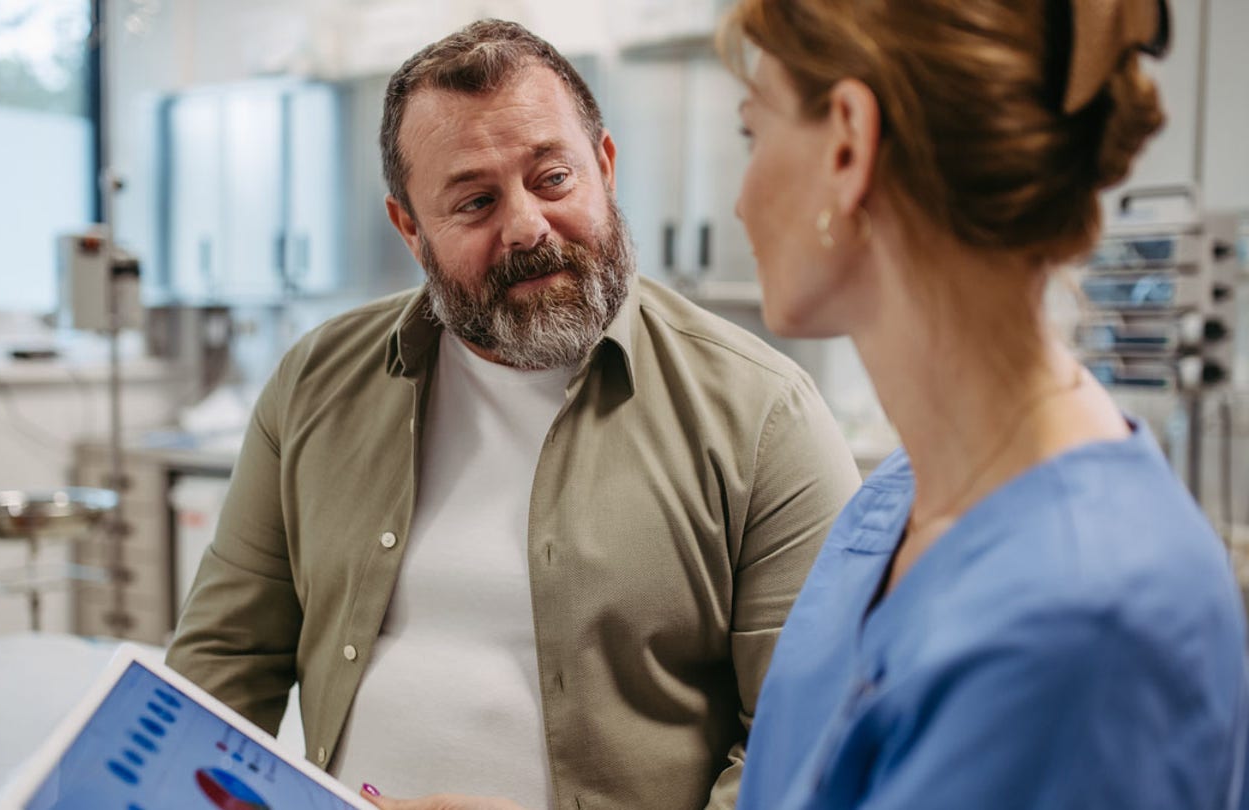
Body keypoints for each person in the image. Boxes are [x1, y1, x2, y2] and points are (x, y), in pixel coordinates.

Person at [362, 1, 1249, 809]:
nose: (742, 201)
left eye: (754, 134)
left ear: (847, 148)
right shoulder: (893, 507)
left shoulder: (1089, 621)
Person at [166, 19, 861, 810]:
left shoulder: (764, 415)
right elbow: (223, 663)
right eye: (474, 202)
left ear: (603, 165)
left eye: (553, 178)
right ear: (411, 231)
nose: (526, 226)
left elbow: (806, 750)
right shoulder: (315, 383)